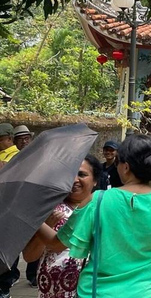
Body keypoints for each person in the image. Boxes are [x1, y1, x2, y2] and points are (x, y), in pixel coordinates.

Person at [36, 134, 151, 298]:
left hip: (97, 292)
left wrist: (34, 220)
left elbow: (56, 244)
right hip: (150, 292)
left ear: (125, 167)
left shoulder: (96, 200)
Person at [23, 155, 102, 297]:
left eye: (82, 174)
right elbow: (29, 256)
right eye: (70, 174)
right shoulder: (49, 210)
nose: (74, 180)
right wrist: (47, 226)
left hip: (91, 290)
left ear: (95, 180)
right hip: (52, 291)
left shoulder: (103, 209)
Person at [12, 125, 39, 287]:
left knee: (36, 240)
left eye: (27, 138)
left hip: (34, 205)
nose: (24, 141)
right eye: (20, 138)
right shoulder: (11, 158)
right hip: (15, 205)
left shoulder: (38, 156)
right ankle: (12, 274)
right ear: (14, 141)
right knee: (14, 242)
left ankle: (32, 275)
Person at [0, 123, 21, 298]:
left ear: (8, 139)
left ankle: (5, 286)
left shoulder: (17, 155)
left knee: (8, 248)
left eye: (0, 140)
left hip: (10, 208)